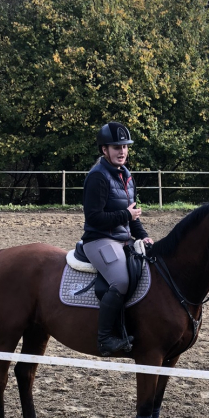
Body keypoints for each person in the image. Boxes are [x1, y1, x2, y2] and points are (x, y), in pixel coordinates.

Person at [81, 121, 152, 355]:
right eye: (116, 147)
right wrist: (126, 215)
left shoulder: (126, 176)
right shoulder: (97, 177)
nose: (122, 151)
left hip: (123, 239)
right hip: (99, 239)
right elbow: (94, 217)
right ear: (104, 150)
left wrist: (144, 236)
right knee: (120, 281)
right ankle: (105, 339)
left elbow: (133, 215)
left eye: (125, 147)